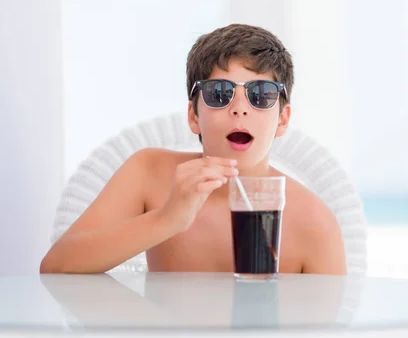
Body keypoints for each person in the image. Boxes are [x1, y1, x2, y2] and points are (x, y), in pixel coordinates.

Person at [40, 24, 346, 275]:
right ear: (193, 116)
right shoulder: (149, 173)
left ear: (282, 119)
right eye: (219, 93)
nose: (239, 109)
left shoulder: (314, 222)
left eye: (261, 95)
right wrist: (168, 218)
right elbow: (57, 265)